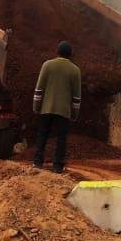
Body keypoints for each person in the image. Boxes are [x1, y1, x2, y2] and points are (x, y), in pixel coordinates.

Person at [32, 41, 81, 173]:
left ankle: (37, 163)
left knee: (42, 134)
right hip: (64, 111)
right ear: (71, 54)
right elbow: (76, 97)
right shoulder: (75, 70)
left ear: (57, 52)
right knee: (61, 138)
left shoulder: (47, 65)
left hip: (46, 108)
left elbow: (39, 89)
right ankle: (58, 166)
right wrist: (74, 115)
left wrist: (36, 107)